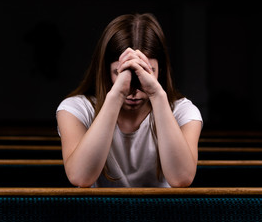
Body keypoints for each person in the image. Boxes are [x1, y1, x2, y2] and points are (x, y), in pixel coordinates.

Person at [56, 13, 202, 188]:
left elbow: (181, 179)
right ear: (105, 70)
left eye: (147, 71)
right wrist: (116, 95)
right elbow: (80, 177)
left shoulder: (183, 112)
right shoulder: (75, 109)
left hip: (163, 214)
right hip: (99, 213)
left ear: (160, 71)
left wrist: (157, 95)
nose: (134, 91)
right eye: (120, 72)